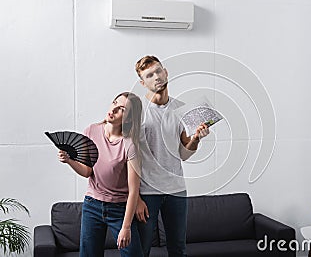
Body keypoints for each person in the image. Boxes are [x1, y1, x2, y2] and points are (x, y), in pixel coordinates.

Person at [134, 55, 209, 257]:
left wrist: (196, 139)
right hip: (146, 192)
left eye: (158, 71)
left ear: (166, 72)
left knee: (178, 249)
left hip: (176, 190)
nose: (156, 77)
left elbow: (184, 153)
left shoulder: (181, 109)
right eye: (149, 75)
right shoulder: (137, 110)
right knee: (142, 250)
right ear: (143, 83)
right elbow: (127, 156)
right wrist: (135, 198)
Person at [58, 92, 144, 257]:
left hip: (120, 209)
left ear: (129, 118)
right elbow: (87, 171)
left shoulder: (130, 145)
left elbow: (134, 190)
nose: (113, 109)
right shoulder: (91, 131)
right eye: (114, 103)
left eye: (121, 109)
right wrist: (69, 161)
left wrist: (126, 227)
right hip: (92, 206)